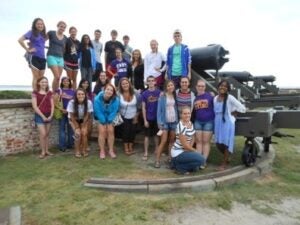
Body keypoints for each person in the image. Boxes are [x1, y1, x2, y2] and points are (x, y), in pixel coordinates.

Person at [214, 80, 246, 170]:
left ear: (228, 89)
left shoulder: (230, 98)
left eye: (225, 86)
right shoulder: (215, 98)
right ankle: (227, 156)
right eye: (221, 85)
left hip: (227, 122)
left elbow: (242, 108)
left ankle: (224, 163)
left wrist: (235, 112)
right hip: (217, 121)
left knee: (226, 142)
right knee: (218, 143)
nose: (222, 87)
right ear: (218, 87)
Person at [171, 106, 206, 175]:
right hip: (178, 153)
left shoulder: (190, 122)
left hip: (185, 151)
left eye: (188, 113)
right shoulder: (181, 127)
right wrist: (195, 151)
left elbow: (193, 136)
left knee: (196, 166)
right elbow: (185, 145)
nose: (187, 115)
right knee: (202, 159)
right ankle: (180, 168)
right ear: (181, 115)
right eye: (185, 114)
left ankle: (176, 164)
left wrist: (190, 148)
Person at [18, 18, 47, 90]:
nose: (40, 25)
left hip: (43, 58)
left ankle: (40, 93)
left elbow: (40, 44)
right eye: (38, 24)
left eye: (41, 24)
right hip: (34, 57)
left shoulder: (43, 34)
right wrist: (27, 49)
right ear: (35, 25)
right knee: (36, 77)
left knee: (41, 78)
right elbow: (20, 40)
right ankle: (35, 95)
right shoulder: (31, 32)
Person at [155, 80, 178, 168]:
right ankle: (157, 160)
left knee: (172, 141)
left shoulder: (175, 95)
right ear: (166, 87)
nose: (170, 87)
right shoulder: (162, 96)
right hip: (164, 122)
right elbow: (159, 111)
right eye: (168, 86)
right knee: (163, 141)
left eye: (172, 85)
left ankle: (170, 158)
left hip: (173, 122)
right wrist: (159, 122)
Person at [94, 84, 120, 159]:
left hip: (110, 118)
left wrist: (109, 121)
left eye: (111, 90)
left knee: (110, 130)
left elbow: (114, 111)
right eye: (108, 89)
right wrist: (103, 121)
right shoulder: (97, 99)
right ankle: (102, 151)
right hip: (100, 117)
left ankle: (111, 150)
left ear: (113, 92)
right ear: (104, 90)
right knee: (102, 131)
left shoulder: (116, 99)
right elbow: (98, 111)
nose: (109, 91)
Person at [31, 76, 54, 159]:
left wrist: (51, 115)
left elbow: (52, 105)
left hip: (49, 114)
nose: (44, 83)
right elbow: (35, 107)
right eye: (42, 82)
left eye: (46, 82)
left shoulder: (49, 92)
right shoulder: (35, 93)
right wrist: (43, 116)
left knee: (47, 134)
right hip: (40, 115)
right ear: (38, 83)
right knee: (43, 134)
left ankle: (47, 150)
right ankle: (43, 151)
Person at [67, 88, 93, 158]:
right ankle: (77, 151)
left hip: (84, 119)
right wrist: (77, 127)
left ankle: (84, 150)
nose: (81, 95)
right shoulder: (71, 102)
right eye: (79, 94)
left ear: (85, 95)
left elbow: (87, 115)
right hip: (74, 120)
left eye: (82, 94)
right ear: (76, 95)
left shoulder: (89, 102)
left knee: (84, 133)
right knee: (78, 134)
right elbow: (72, 116)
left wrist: (83, 125)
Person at [193, 80, 214, 165]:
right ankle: (199, 160)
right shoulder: (195, 98)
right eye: (199, 86)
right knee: (198, 141)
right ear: (196, 87)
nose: (200, 87)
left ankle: (204, 161)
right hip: (198, 121)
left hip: (208, 122)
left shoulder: (210, 96)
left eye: (202, 86)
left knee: (205, 141)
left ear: (205, 87)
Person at [118, 77, 141, 155]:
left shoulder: (136, 93)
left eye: (126, 83)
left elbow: (139, 106)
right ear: (121, 85)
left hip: (134, 115)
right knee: (125, 132)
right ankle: (126, 148)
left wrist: (136, 116)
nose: (125, 85)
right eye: (123, 84)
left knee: (132, 132)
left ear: (129, 84)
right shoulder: (118, 94)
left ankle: (131, 147)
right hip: (123, 116)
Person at [141, 76, 161, 161]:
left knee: (156, 135)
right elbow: (143, 108)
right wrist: (145, 120)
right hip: (148, 118)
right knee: (147, 136)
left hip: (157, 118)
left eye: (152, 81)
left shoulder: (159, 92)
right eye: (149, 81)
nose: (151, 82)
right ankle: (146, 152)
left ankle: (157, 149)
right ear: (147, 82)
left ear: (155, 82)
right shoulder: (144, 94)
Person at [54, 77, 75, 152]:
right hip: (62, 112)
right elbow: (54, 102)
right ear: (62, 82)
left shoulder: (73, 91)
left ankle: (70, 144)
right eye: (64, 81)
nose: (66, 82)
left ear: (70, 82)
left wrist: (69, 111)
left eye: (67, 81)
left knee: (71, 129)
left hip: (70, 113)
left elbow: (75, 103)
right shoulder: (59, 90)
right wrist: (62, 109)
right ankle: (62, 146)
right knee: (62, 129)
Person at [47, 21, 68, 91]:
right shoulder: (51, 33)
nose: (62, 28)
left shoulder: (65, 38)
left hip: (60, 58)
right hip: (51, 56)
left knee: (58, 78)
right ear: (58, 26)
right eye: (61, 26)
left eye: (64, 27)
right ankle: (53, 93)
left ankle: (56, 93)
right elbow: (42, 40)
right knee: (57, 76)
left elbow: (64, 49)